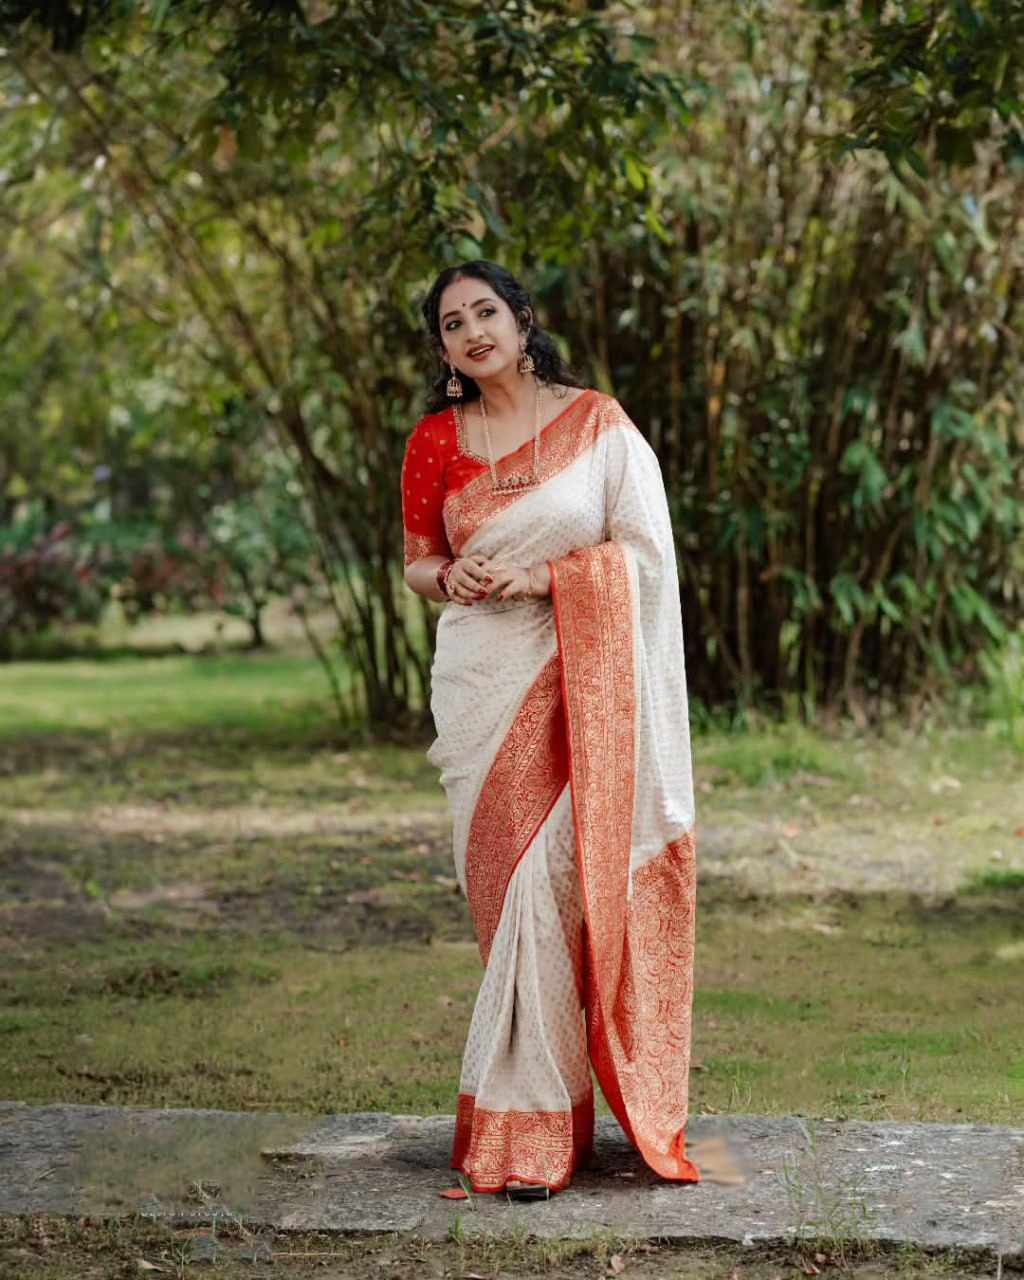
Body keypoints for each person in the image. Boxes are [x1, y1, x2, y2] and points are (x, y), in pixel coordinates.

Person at [400, 260, 699, 1198]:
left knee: (551, 884)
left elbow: (645, 554)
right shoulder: (434, 441)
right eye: (452, 324)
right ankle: (540, 1111)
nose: (472, 332)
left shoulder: (599, 424)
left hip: (581, 679)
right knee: (509, 895)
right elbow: (418, 560)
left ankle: (527, 1128)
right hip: (481, 682)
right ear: (443, 349)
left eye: (486, 311)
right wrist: (450, 577)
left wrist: (545, 579)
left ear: (523, 320)